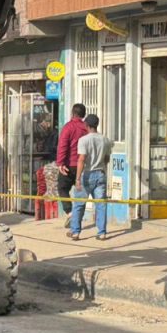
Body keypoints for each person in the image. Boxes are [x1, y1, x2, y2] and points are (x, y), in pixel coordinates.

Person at [68, 113, 111, 241]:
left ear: (86, 125)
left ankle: (75, 232)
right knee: (101, 204)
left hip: (87, 174)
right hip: (101, 174)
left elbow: (81, 159)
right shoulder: (105, 139)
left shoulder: (84, 140)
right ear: (97, 125)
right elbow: (107, 158)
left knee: (79, 204)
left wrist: (77, 178)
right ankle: (102, 232)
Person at [56, 103, 88, 227]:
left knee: (62, 188)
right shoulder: (87, 128)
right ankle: (77, 218)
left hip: (69, 165)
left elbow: (62, 146)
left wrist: (60, 163)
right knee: (80, 193)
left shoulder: (68, 127)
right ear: (83, 115)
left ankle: (70, 213)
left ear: (72, 113)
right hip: (83, 166)